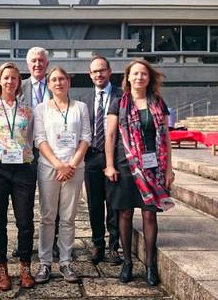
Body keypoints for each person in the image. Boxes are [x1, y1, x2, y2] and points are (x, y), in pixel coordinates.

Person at [104, 59, 175, 286]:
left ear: (149, 78)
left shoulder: (158, 103)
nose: (139, 77)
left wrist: (169, 169)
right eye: (135, 74)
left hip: (153, 167)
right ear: (128, 78)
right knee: (124, 214)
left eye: (143, 74)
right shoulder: (118, 102)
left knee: (149, 214)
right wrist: (109, 165)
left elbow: (165, 138)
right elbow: (111, 136)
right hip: (124, 165)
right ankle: (127, 263)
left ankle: (150, 265)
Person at [33, 67, 91, 284]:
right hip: (49, 166)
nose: (58, 83)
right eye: (54, 80)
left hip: (75, 167)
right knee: (48, 216)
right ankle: (45, 263)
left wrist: (71, 165)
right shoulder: (41, 108)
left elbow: (86, 136)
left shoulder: (81, 107)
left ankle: (66, 262)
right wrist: (58, 165)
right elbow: (40, 139)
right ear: (48, 84)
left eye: (62, 79)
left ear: (69, 82)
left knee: (68, 217)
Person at [0, 62, 36, 291]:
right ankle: (1, 266)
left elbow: (30, 138)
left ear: (19, 83)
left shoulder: (28, 110)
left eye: (14, 78)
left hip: (23, 168)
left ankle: (25, 266)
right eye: (6, 78)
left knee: (25, 221)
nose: (10, 82)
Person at [78, 55, 123, 265]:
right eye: (94, 71)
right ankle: (98, 244)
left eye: (102, 70)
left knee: (114, 203)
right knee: (95, 203)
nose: (98, 74)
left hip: (115, 156)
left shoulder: (122, 96)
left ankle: (115, 245)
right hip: (93, 156)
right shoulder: (84, 101)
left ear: (109, 71)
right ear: (90, 75)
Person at [14, 46, 58, 258]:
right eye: (34, 61)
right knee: (24, 200)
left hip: (53, 152)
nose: (38, 64)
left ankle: (53, 242)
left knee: (52, 200)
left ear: (47, 64)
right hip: (26, 153)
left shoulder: (56, 86)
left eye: (41, 60)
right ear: (27, 64)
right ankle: (25, 242)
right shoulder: (19, 88)